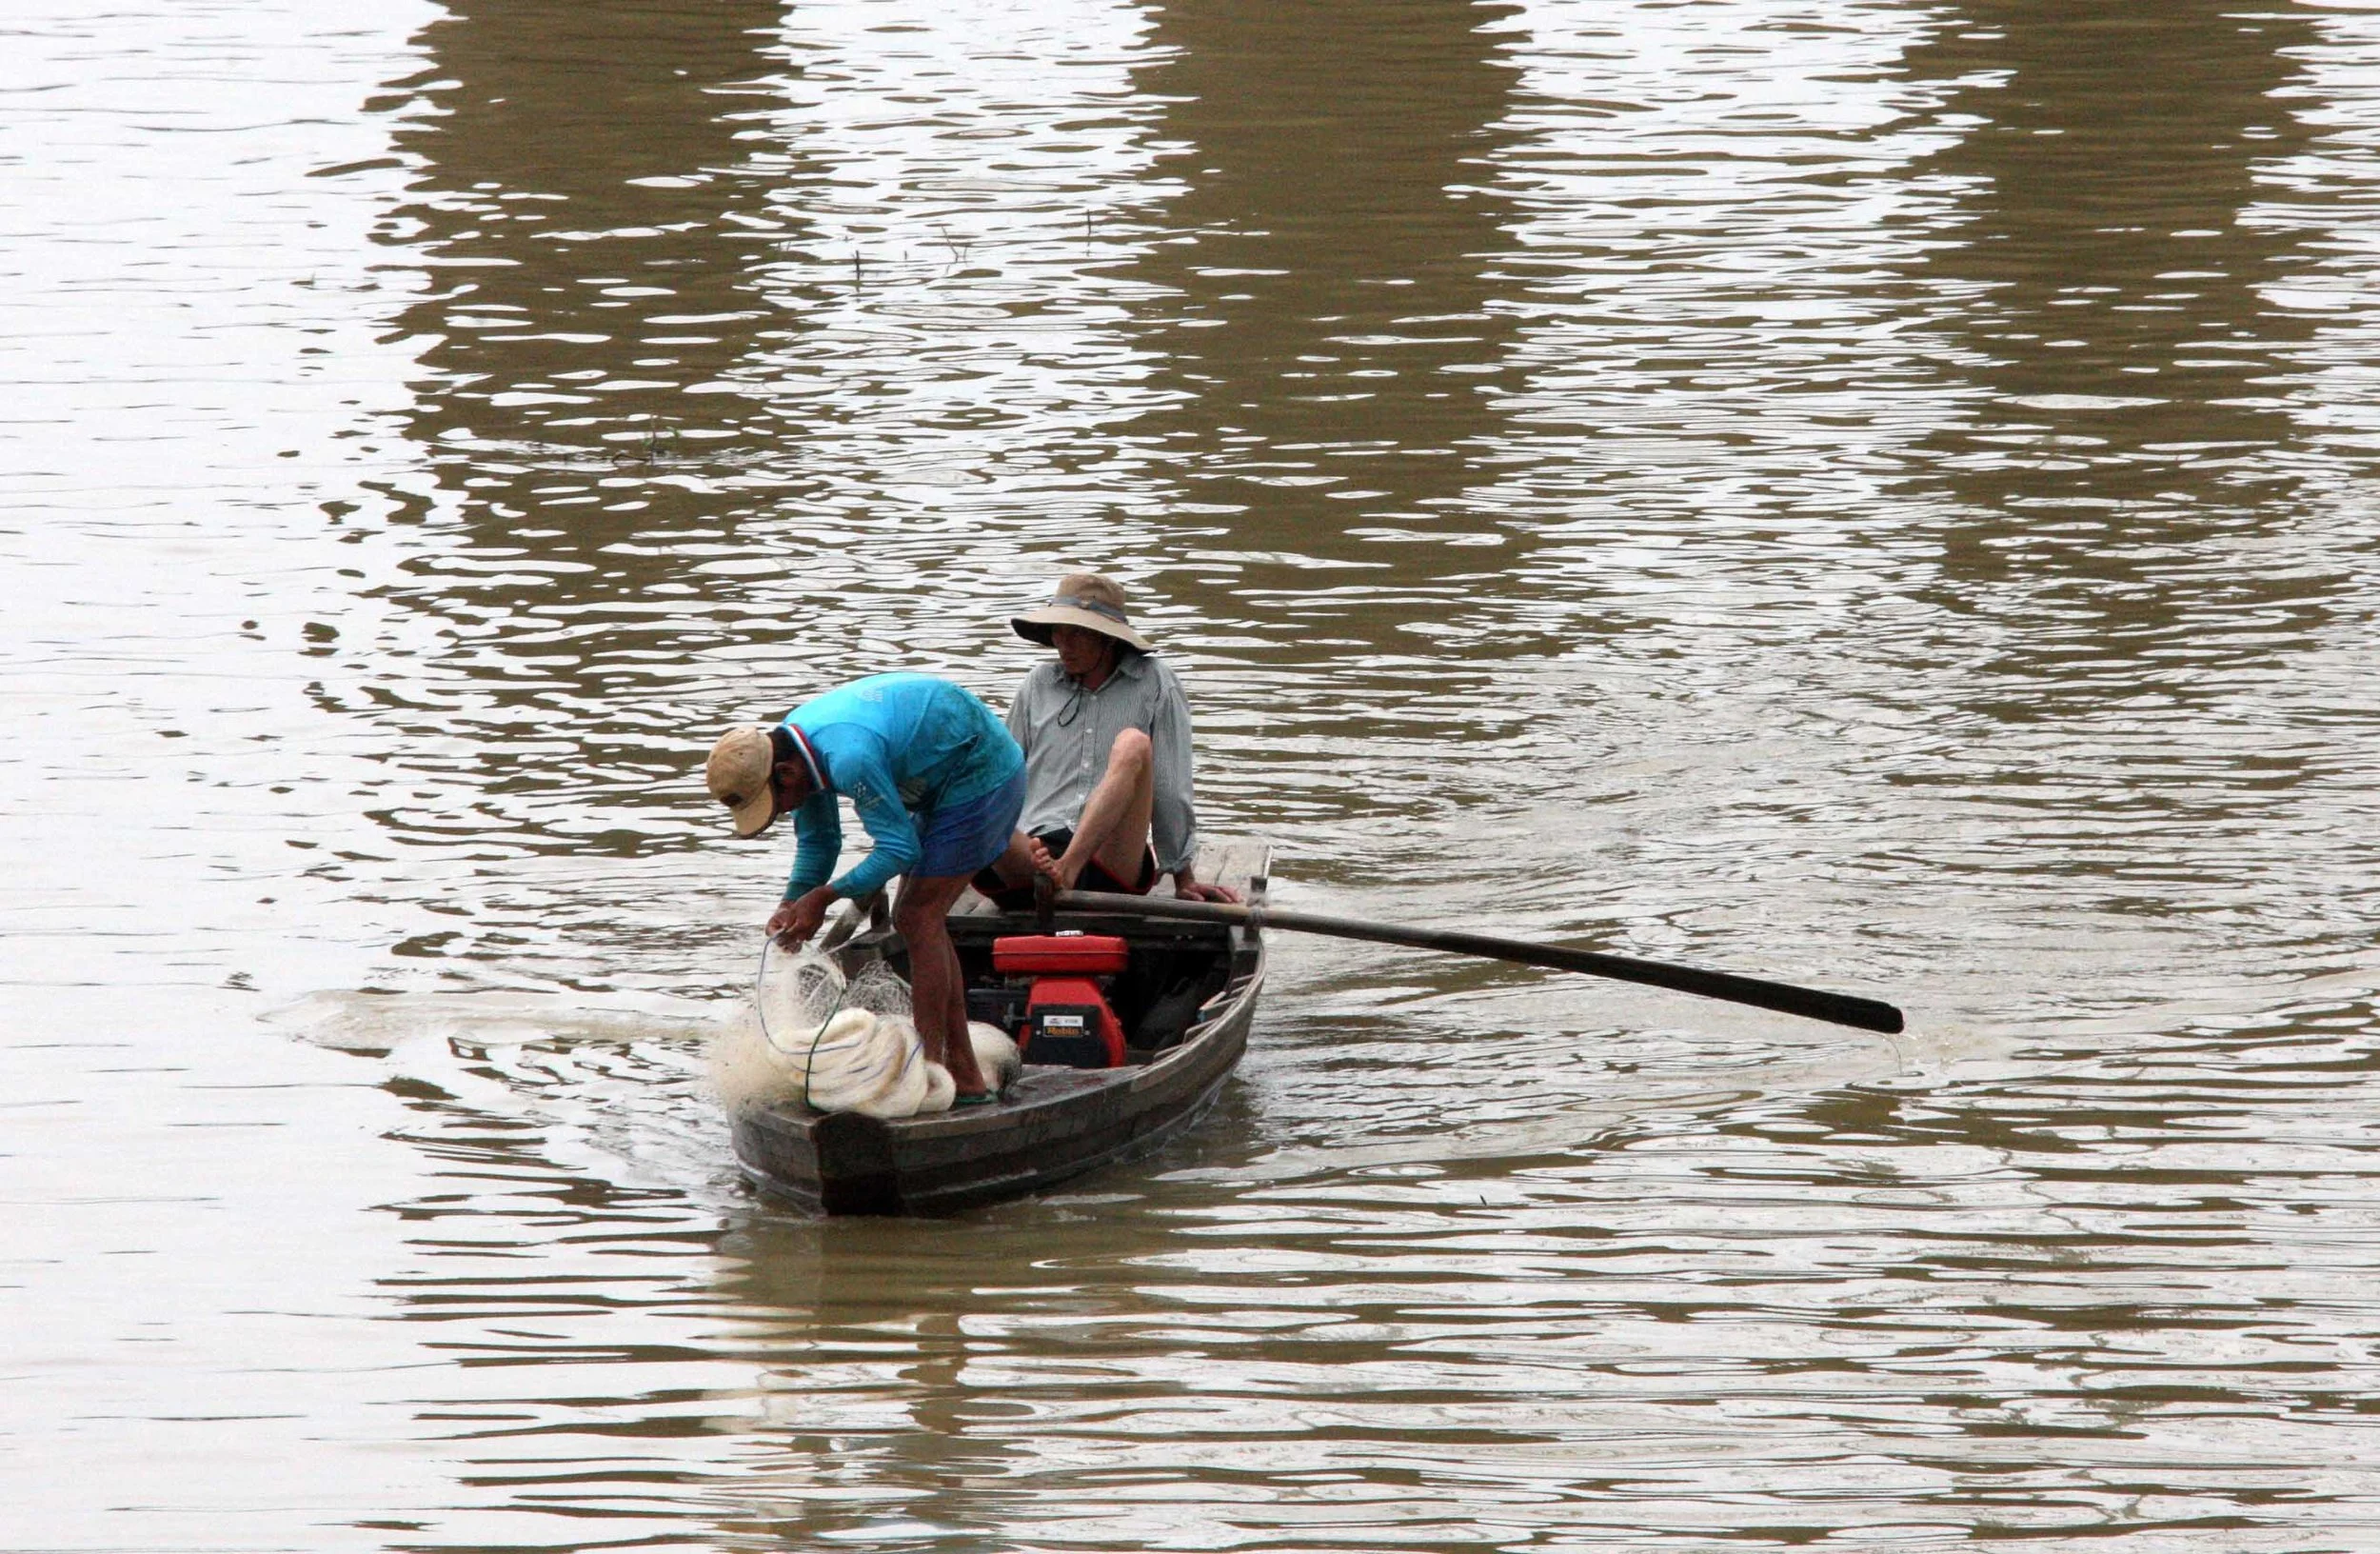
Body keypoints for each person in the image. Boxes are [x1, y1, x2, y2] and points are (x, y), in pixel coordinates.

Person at [705, 672, 1024, 1102]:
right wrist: (791, 904)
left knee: (916, 916)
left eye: (777, 804)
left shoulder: (847, 756)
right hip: (931, 782)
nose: (782, 812)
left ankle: (927, 1072)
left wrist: (825, 896)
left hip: (983, 773)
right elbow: (820, 843)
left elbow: (899, 848)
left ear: (784, 772)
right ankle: (962, 1073)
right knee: (919, 919)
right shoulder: (798, 752)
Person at [975, 573, 1240, 908]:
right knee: (973, 769)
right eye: (1059, 632)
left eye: (1078, 634)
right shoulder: (1037, 684)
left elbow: (1171, 787)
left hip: (1110, 859)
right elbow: (1004, 777)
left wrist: (1182, 877)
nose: (1063, 645)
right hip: (1034, 857)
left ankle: (1067, 870)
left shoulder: (1154, 682)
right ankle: (1051, 873)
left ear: (1108, 639)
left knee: (1133, 742)